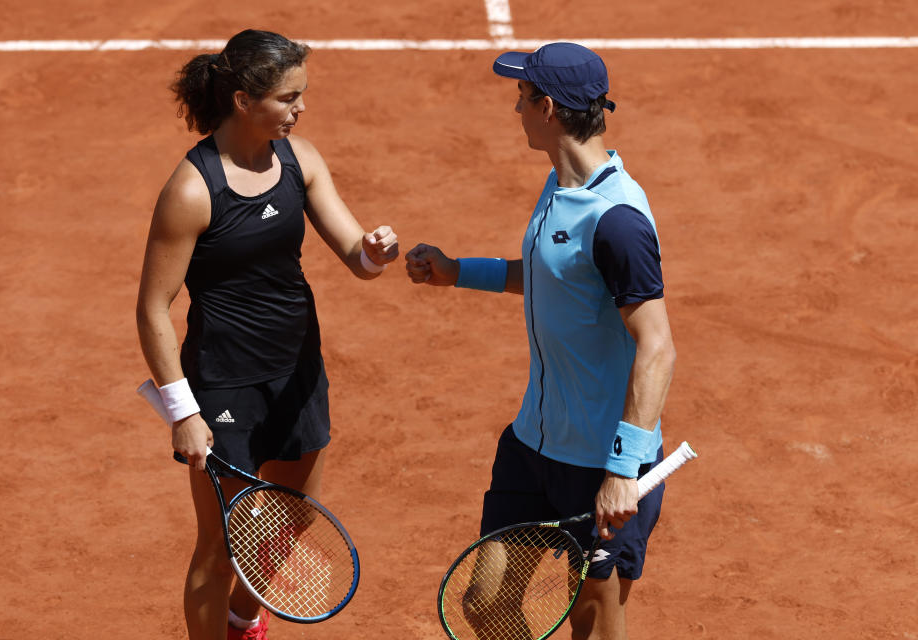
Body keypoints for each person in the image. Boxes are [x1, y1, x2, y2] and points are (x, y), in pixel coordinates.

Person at [406, 42, 676, 640]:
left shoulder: (617, 220)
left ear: (547, 107)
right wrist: (457, 271)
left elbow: (657, 346)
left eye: (521, 98)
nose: (516, 109)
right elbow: (550, 277)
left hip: (601, 464)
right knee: (486, 601)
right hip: (533, 445)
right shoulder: (560, 185)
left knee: (594, 622)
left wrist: (623, 470)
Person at [136, 29, 399, 640]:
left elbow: (355, 256)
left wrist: (376, 252)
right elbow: (152, 308)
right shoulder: (193, 189)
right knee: (219, 543)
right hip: (225, 383)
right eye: (287, 98)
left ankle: (243, 616)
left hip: (298, 371)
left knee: (293, 516)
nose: (299, 109)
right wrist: (182, 411)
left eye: (301, 96)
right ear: (242, 101)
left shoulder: (300, 159)